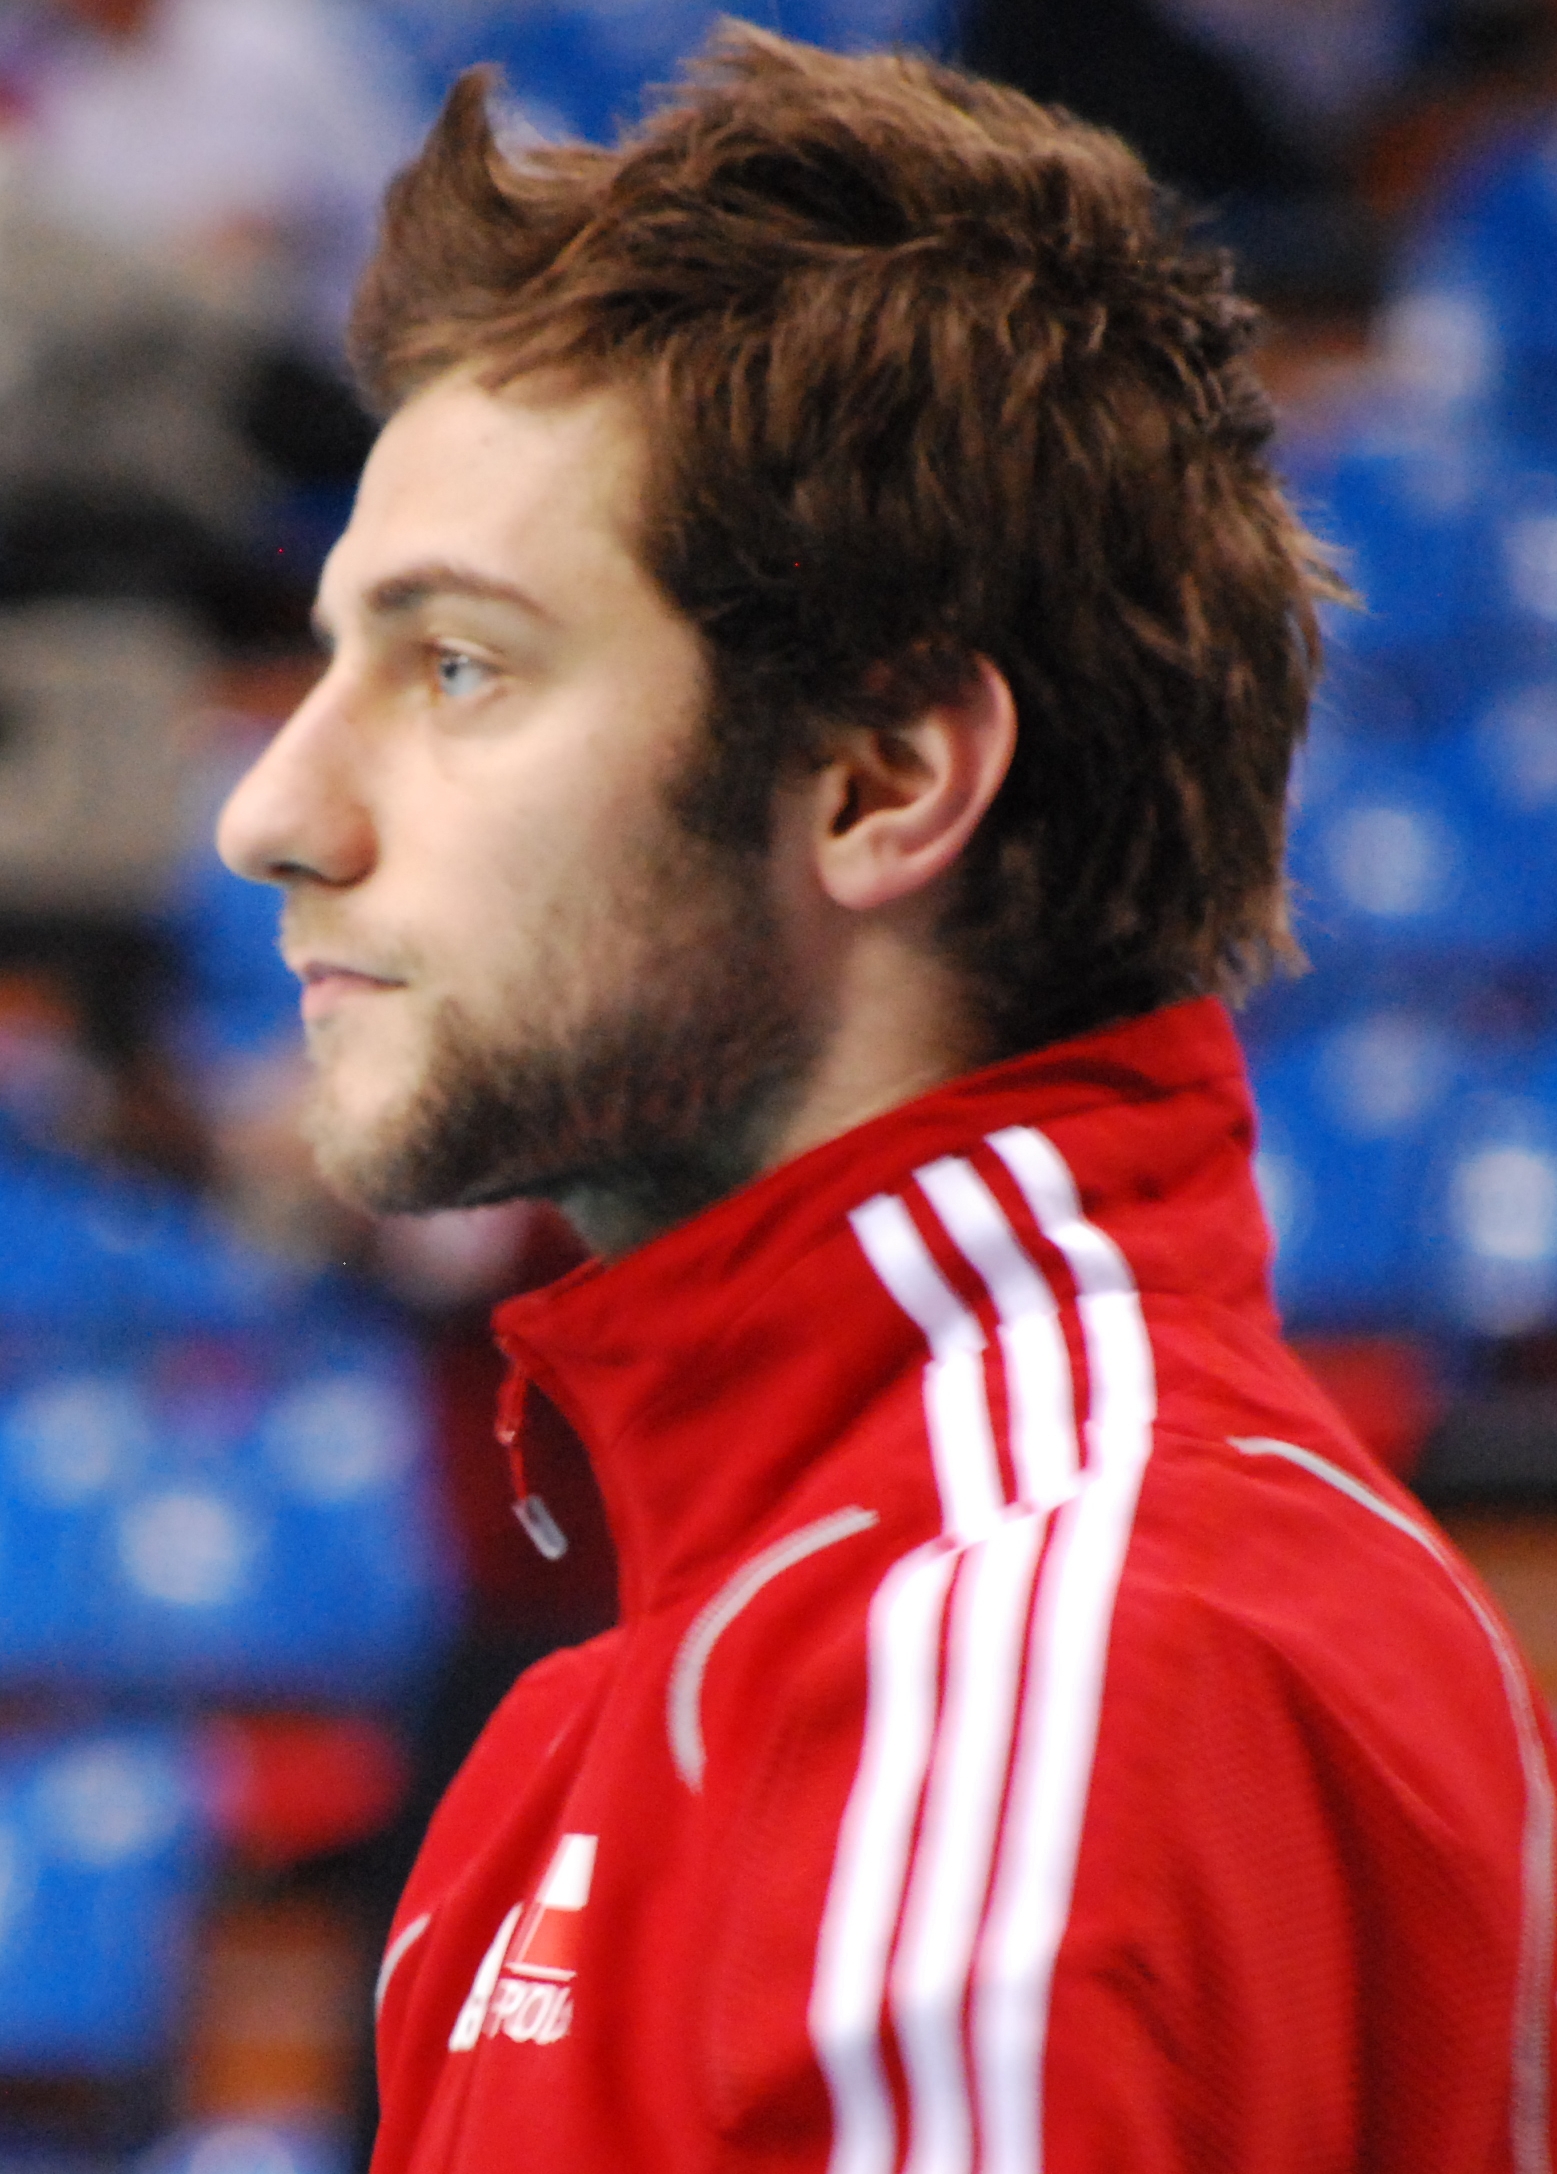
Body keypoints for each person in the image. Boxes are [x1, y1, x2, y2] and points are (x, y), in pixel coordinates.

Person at [216, 26, 1557, 2173]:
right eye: (326, 660)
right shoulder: (638, 1704)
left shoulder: (1053, 1645)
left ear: (879, 782)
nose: (274, 813)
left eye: (457, 664)